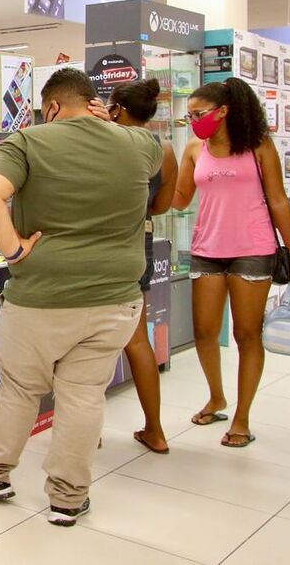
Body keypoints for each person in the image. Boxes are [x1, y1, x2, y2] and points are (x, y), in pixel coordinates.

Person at [0, 68, 161, 527]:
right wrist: (113, 128)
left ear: (54, 107)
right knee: (84, 395)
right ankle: (68, 497)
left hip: (44, 295)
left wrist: (15, 249)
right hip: (117, 295)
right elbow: (164, 161)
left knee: (22, 388)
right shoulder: (140, 144)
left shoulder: (28, 142)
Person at [173, 77, 290, 449]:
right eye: (190, 115)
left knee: (247, 335)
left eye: (199, 113)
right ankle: (217, 397)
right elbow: (180, 197)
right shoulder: (194, 148)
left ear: (223, 111)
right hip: (206, 248)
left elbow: (277, 200)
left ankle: (242, 416)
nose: (194, 120)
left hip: (253, 248)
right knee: (204, 332)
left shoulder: (258, 145)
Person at [105, 79, 178, 454]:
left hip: (97, 241)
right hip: (139, 239)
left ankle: (89, 431)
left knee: (87, 341)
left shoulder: (103, 141)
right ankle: (155, 429)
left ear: (116, 108)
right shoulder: (162, 148)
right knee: (137, 339)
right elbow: (164, 204)